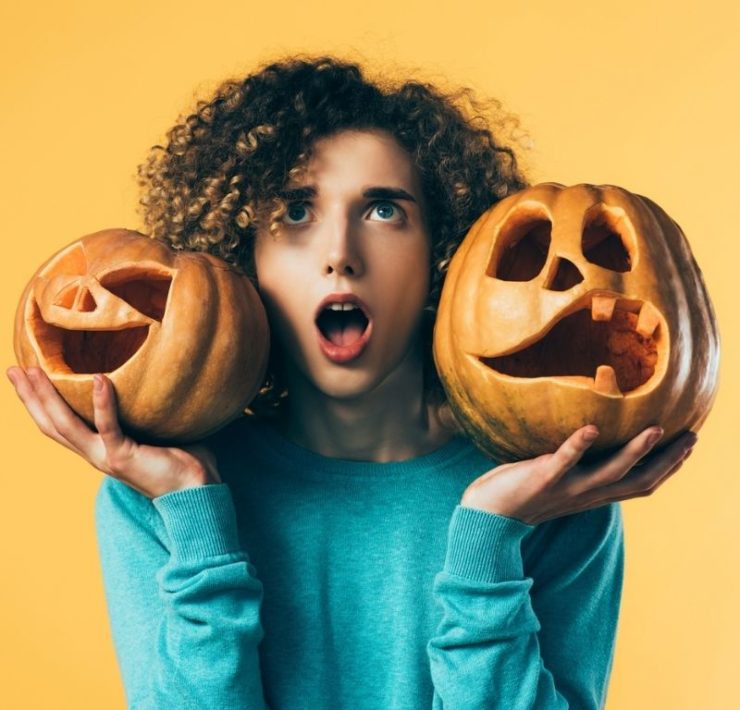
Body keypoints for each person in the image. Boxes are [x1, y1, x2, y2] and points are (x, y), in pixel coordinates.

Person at [6, 54, 697, 709]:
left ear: (445, 255)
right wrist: (195, 521)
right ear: (240, 256)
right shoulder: (156, 495)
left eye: (383, 211)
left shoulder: (555, 489)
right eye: (297, 212)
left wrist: (491, 539)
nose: (340, 255)